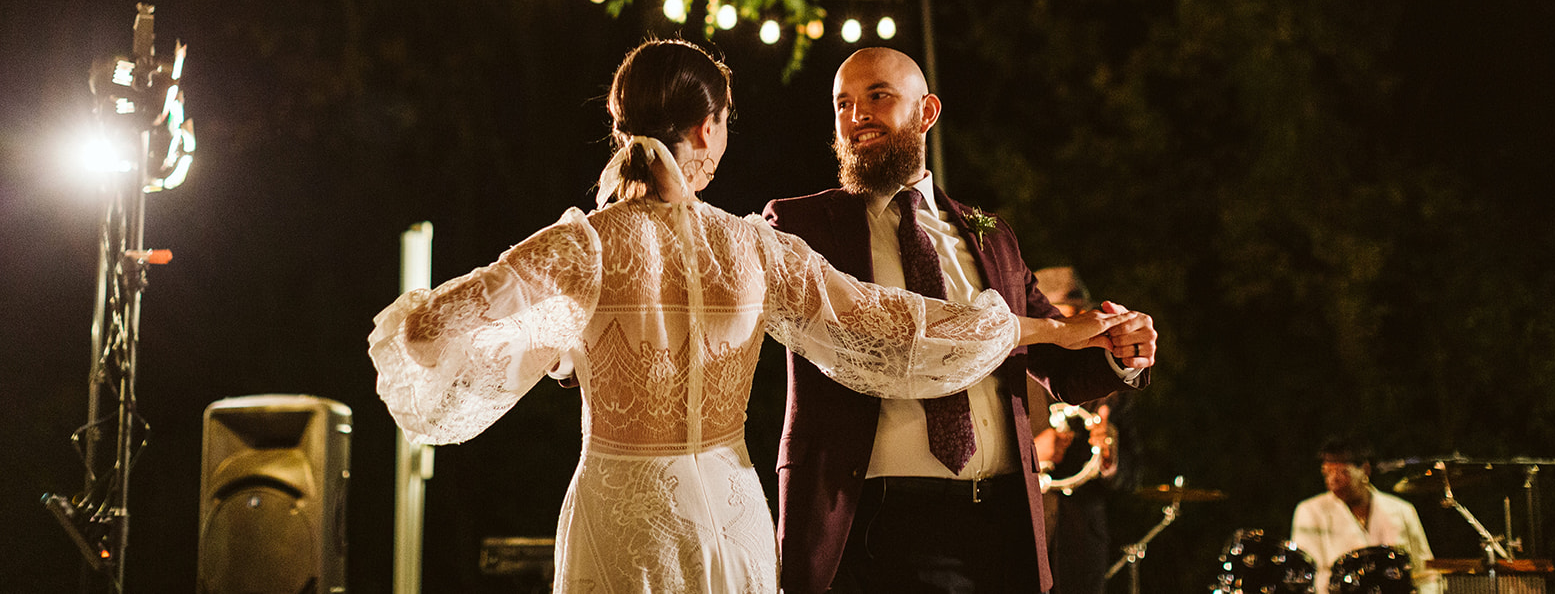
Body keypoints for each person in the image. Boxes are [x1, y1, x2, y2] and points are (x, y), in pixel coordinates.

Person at [367, 39, 1138, 594]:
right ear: (707, 128)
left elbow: (425, 332)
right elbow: (897, 326)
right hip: (733, 513)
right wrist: (1032, 328)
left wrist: (549, 336)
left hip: (618, 512)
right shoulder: (755, 248)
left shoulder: (580, 245)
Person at [765, 47, 1159, 594]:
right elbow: (871, 332)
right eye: (843, 104)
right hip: (872, 518)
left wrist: (1120, 349)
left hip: (998, 523)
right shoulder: (800, 225)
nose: (858, 116)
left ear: (927, 112)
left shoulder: (990, 233)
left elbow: (1054, 358)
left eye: (878, 96)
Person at [1030, 267, 1131, 594]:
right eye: (1063, 322)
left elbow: (1134, 470)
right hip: (1023, 540)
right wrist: (1033, 452)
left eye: (1081, 321)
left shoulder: (1107, 385)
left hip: (1082, 549)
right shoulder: (1010, 375)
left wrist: (1111, 460)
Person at [1290, 436, 1441, 594]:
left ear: (1365, 470)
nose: (1333, 479)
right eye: (1327, 472)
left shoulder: (1401, 510)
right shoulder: (1311, 511)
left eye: (1342, 472)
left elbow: (1426, 572)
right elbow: (1310, 576)